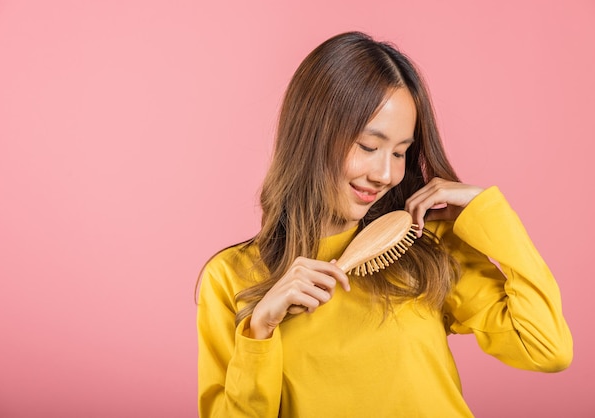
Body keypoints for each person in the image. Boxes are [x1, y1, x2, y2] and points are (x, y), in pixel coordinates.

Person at [196, 31, 573, 417]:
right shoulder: (231, 279)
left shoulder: (426, 246)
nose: (386, 174)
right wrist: (260, 331)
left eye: (400, 153)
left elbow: (547, 348)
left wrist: (489, 211)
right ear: (311, 134)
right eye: (368, 147)